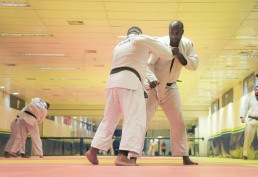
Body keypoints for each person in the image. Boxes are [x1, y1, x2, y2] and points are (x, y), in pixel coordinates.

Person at [85, 26, 174, 166]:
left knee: (109, 120)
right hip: (129, 82)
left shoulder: (118, 45)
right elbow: (167, 53)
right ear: (139, 33)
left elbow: (133, 63)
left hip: (112, 83)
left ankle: (93, 150)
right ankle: (123, 155)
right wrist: (164, 48)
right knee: (135, 118)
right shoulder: (141, 39)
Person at [145, 20, 199, 165]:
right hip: (155, 85)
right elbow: (148, 63)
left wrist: (180, 56)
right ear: (169, 31)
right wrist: (151, 79)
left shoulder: (187, 44)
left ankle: (184, 156)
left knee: (179, 122)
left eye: (177, 32)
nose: (174, 35)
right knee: (143, 119)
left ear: (182, 32)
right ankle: (131, 155)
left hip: (171, 87)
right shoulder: (160, 43)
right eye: (172, 32)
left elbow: (194, 65)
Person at [240, 85, 258, 160]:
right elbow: (245, 108)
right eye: (256, 89)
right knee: (248, 138)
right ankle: (245, 155)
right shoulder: (250, 98)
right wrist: (242, 117)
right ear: (254, 90)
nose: (257, 90)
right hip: (251, 120)